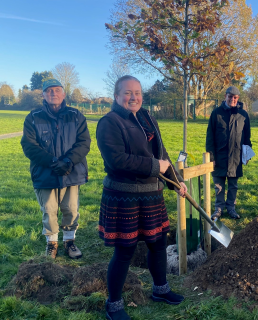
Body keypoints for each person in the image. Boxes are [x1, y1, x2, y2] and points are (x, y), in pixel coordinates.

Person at [97, 75, 187, 320]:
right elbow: (116, 160)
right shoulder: (109, 122)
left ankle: (160, 290)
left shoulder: (147, 118)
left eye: (137, 92)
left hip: (151, 195)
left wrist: (177, 182)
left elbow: (162, 154)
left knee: (158, 244)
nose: (133, 97)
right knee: (125, 251)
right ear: (117, 96)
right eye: (127, 93)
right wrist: (153, 166)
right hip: (124, 196)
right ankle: (113, 305)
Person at [21, 79, 90, 260]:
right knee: (49, 209)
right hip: (45, 172)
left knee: (70, 208)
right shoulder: (33, 117)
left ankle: (69, 241)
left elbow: (84, 143)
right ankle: (52, 243)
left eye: (57, 90)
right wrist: (53, 162)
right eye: (49, 91)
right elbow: (29, 146)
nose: (53, 93)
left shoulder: (76, 115)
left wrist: (68, 161)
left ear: (63, 94)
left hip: (71, 171)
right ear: (43, 95)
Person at [206, 86, 252, 220]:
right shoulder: (216, 113)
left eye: (235, 97)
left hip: (236, 157)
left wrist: (247, 154)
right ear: (225, 96)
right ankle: (218, 209)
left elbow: (247, 137)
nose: (232, 99)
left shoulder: (243, 115)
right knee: (218, 185)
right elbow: (210, 137)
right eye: (230, 96)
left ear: (238, 99)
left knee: (233, 185)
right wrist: (211, 156)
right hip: (219, 156)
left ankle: (231, 208)